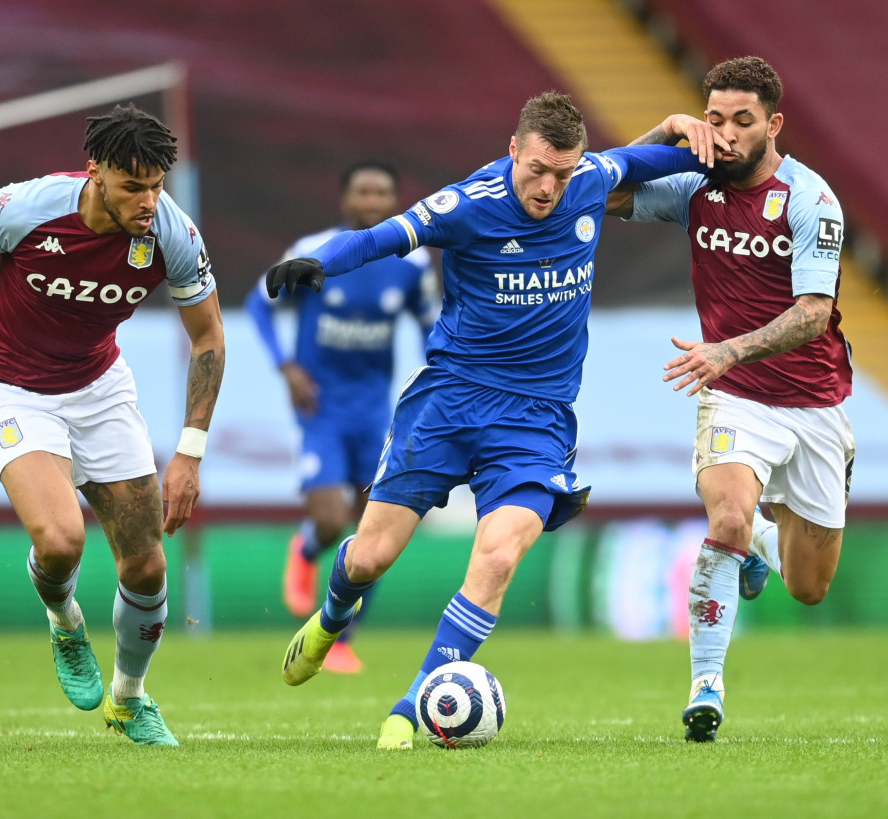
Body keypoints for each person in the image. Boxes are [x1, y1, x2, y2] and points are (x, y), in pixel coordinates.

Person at [266, 90, 724, 749]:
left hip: (535, 420)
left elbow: (654, 160)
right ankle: (331, 617)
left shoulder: (589, 179)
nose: (548, 187)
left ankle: (411, 703)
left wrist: (697, 133)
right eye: (537, 169)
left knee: (499, 554)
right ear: (514, 150)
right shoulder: (470, 205)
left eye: (562, 174)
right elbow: (385, 235)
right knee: (368, 557)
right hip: (449, 402)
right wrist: (321, 264)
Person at [0, 103, 225, 747]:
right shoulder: (26, 208)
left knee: (147, 568)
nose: (147, 200)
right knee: (60, 543)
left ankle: (129, 698)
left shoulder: (173, 234)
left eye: (156, 186)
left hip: (99, 388)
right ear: (95, 173)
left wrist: (189, 453)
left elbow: (208, 337)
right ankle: (64, 619)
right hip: (7, 387)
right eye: (133, 186)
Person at [608, 56, 856, 742]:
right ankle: (707, 684)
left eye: (741, 122)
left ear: (773, 125)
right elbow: (586, 192)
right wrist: (662, 132)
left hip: (813, 402)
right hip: (735, 396)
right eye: (713, 120)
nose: (724, 135)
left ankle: (763, 543)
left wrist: (729, 346)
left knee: (808, 586)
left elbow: (812, 313)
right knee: (725, 517)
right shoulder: (692, 185)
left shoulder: (810, 199)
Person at [246, 160, 438, 673]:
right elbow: (258, 304)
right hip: (321, 408)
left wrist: (439, 381)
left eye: (383, 192)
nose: (373, 201)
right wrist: (286, 367)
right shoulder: (316, 253)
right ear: (345, 199)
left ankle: (343, 636)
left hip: (376, 411)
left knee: (374, 530)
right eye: (363, 192)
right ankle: (307, 548)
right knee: (332, 521)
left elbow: (429, 329)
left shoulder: (411, 263)